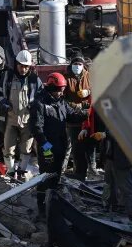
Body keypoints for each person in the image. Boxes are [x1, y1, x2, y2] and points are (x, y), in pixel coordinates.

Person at [30, 73, 88, 217]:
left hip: (61, 145)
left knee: (56, 177)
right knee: (45, 177)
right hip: (47, 147)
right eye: (59, 89)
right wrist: (46, 148)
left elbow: (73, 114)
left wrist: (88, 113)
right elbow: (37, 129)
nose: (61, 92)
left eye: (62, 89)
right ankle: (42, 208)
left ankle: (53, 205)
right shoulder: (39, 103)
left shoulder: (61, 101)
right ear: (50, 88)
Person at [0, 50, 42, 179]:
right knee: (8, 149)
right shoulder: (6, 77)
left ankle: (21, 172)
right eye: (21, 65)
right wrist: (2, 102)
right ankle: (10, 172)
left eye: (26, 66)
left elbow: (42, 99)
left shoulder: (34, 80)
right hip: (10, 119)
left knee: (26, 149)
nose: (23, 69)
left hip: (27, 121)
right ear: (16, 64)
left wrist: (36, 109)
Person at [82, 115, 132, 222]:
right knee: (109, 185)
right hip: (110, 157)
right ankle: (111, 207)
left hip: (121, 158)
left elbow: (123, 132)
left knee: (126, 188)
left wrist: (104, 135)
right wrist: (85, 129)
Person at [64, 55, 93, 181]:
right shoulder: (66, 78)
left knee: (89, 146)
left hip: (87, 116)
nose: (77, 66)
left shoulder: (89, 76)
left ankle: (91, 170)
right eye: (75, 64)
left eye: (79, 64)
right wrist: (73, 106)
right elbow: (62, 97)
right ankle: (78, 172)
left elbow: (96, 92)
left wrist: (88, 93)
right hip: (73, 119)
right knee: (76, 147)